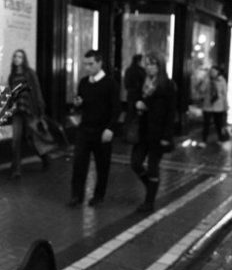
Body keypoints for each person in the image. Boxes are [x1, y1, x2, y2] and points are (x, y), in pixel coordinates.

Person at [68, 50, 121, 207]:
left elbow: (116, 108)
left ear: (99, 63)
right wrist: (78, 103)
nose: (87, 67)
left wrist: (110, 129)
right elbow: (81, 103)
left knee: (102, 165)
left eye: (91, 64)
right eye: (85, 64)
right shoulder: (84, 82)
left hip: (102, 130)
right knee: (79, 164)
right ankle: (77, 196)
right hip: (85, 129)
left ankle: (99, 195)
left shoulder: (110, 83)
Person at [129, 52, 177, 213]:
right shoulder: (142, 83)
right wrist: (136, 105)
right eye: (147, 64)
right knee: (135, 163)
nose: (149, 67)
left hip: (158, 133)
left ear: (160, 66)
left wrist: (167, 136)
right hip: (142, 131)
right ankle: (150, 186)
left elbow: (171, 112)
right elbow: (133, 100)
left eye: (153, 64)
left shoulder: (167, 85)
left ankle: (149, 202)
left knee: (152, 167)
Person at [7, 49, 49, 179]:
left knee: (32, 139)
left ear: (23, 59)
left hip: (30, 109)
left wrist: (41, 109)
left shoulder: (29, 73)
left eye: (19, 56)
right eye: (15, 56)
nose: (17, 58)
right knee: (16, 140)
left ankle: (44, 158)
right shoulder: (12, 75)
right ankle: (16, 168)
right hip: (17, 111)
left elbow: (37, 90)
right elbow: (11, 93)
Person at [198, 65, 229, 146]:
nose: (212, 73)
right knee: (206, 124)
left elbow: (224, 94)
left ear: (218, 72)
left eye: (214, 71)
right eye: (211, 71)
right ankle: (204, 140)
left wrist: (225, 106)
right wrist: (205, 81)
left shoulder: (222, 80)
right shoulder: (207, 80)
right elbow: (201, 90)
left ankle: (220, 138)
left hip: (218, 106)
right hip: (207, 105)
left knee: (218, 123)